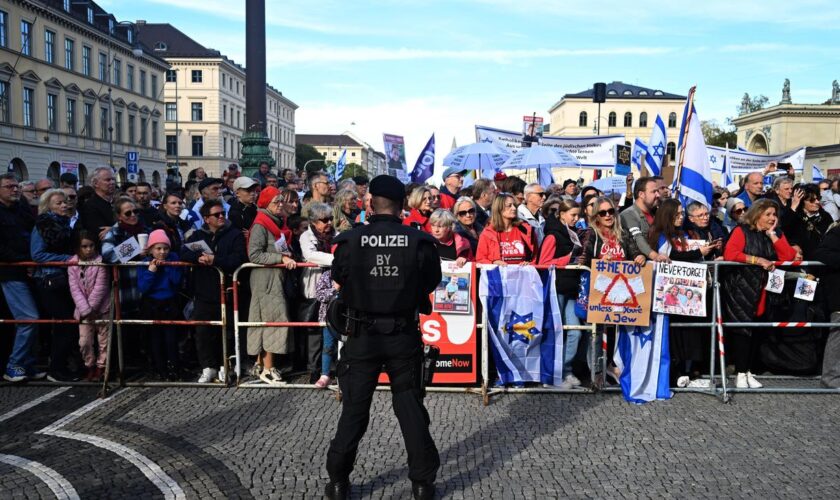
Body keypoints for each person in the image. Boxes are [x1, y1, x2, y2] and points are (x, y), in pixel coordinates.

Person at [325, 174, 441, 500]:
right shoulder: (418, 241)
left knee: (354, 411)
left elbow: (339, 277)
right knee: (410, 409)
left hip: (362, 336)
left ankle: (338, 481)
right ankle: (422, 484)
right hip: (403, 334)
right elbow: (430, 281)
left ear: (370, 202)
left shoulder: (351, 240)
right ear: (403, 205)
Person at [722, 199, 797, 389]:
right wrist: (757, 260)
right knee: (743, 330)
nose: (773, 218)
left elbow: (788, 257)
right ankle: (740, 372)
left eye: (774, 215)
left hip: (764, 289)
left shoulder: (776, 233)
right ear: (757, 215)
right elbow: (731, 253)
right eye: (768, 215)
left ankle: (748, 371)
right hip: (742, 287)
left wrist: (773, 236)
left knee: (756, 329)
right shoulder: (741, 231)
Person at [647, 199, 719, 386]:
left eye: (682, 214)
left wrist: (705, 251)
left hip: (684, 293)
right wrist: (698, 253)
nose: (681, 218)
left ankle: (688, 370)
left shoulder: (679, 233)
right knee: (674, 334)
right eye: (677, 214)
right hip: (667, 293)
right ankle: (675, 372)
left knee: (688, 333)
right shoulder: (660, 234)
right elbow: (670, 257)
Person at [182, 199, 247, 383]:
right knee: (203, 331)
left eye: (222, 214)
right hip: (203, 292)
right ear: (206, 218)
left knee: (226, 332)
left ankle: (224, 365)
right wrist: (198, 258)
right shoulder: (196, 235)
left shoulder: (234, 234)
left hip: (227, 291)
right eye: (216, 215)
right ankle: (207, 366)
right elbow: (183, 252)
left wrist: (215, 259)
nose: (221, 217)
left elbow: (239, 258)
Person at [247, 187, 297, 385]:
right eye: (275, 202)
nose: (280, 205)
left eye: (280, 201)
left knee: (265, 319)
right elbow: (254, 254)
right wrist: (281, 258)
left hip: (274, 277)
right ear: (265, 203)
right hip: (265, 279)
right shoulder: (261, 224)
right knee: (272, 321)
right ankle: (268, 368)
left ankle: (261, 364)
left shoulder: (276, 222)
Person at [31, 188, 78, 382]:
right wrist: (67, 259)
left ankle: (60, 366)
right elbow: (37, 255)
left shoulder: (65, 224)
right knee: (64, 323)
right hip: (48, 278)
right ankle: (56, 368)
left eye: (65, 202)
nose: (64, 205)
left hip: (65, 278)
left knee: (66, 325)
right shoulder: (43, 226)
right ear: (47, 206)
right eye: (58, 203)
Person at [0, 174, 43, 382]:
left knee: (33, 319)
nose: (15, 190)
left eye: (16, 186)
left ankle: (27, 364)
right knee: (28, 318)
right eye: (9, 187)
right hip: (11, 273)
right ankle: (14, 364)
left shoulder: (22, 209)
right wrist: (23, 260)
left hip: (28, 269)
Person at [538, 199, 584, 389]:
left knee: (575, 331)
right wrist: (569, 259)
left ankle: (565, 369)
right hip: (557, 287)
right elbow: (543, 262)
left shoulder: (572, 233)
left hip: (571, 287)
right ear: (561, 214)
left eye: (577, 215)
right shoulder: (552, 236)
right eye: (572, 215)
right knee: (554, 332)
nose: (576, 218)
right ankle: (551, 373)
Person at [137, 230, 183, 381]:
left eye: (165, 248)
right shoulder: (144, 262)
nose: (162, 252)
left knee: (171, 338)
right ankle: (160, 369)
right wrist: (151, 272)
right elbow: (143, 287)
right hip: (152, 304)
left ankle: (175, 368)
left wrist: (167, 266)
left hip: (169, 302)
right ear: (151, 249)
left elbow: (177, 281)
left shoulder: (174, 258)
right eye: (158, 248)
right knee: (155, 339)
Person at [300, 202, 336, 386]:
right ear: (314, 221)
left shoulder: (336, 234)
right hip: (314, 286)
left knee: (333, 327)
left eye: (330, 218)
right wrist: (336, 259)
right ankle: (314, 368)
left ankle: (331, 368)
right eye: (324, 220)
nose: (328, 222)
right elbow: (310, 255)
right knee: (314, 329)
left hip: (334, 285)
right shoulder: (306, 236)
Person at [68, 230, 110, 382]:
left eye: (91, 245)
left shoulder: (101, 262)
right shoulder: (72, 263)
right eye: (84, 246)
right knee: (84, 341)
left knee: (103, 340)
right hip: (83, 311)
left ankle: (101, 367)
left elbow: (101, 287)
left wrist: (91, 308)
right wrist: (85, 310)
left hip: (102, 308)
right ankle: (89, 365)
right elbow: (74, 289)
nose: (88, 249)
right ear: (78, 247)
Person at [475, 193, 536, 265]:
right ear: (499, 208)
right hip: (498, 275)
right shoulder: (488, 233)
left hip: (521, 274)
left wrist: (529, 263)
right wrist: (493, 263)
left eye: (514, 205)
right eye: (509, 206)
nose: (514, 208)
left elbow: (535, 257)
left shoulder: (526, 230)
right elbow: (480, 259)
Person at [815, 222, 840, 387]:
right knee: (838, 334)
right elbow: (820, 253)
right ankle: (830, 377)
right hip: (837, 292)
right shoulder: (837, 232)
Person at [620, 176, 666, 263]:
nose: (658, 195)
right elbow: (638, 239)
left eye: (658, 191)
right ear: (641, 194)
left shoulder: (655, 214)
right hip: (639, 268)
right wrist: (656, 256)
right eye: (653, 192)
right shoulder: (629, 214)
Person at [786, 184, 832, 261]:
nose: (817, 202)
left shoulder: (825, 216)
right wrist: (793, 206)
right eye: (812, 200)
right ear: (802, 202)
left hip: (822, 261)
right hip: (801, 261)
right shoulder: (794, 216)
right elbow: (785, 231)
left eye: (818, 198)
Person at [80, 167, 117, 240]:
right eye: (108, 180)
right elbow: (102, 234)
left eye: (113, 179)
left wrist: (114, 229)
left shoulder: (118, 203)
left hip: (128, 246)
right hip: (106, 248)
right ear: (96, 183)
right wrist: (118, 229)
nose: (112, 182)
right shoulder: (90, 206)